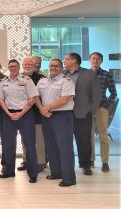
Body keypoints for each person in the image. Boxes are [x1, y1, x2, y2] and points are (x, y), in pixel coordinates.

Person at [0, 59, 39, 183]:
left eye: (15, 66)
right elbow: (1, 100)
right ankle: (8, 171)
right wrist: (9, 113)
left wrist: (21, 113)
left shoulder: (26, 80)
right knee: (8, 144)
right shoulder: (4, 82)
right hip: (8, 114)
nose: (13, 68)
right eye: (11, 66)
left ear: (19, 67)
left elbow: (32, 98)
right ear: (8, 68)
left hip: (25, 114)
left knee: (29, 144)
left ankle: (33, 174)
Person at [35, 59, 76, 187]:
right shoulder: (43, 81)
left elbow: (64, 99)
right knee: (51, 146)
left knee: (64, 147)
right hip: (46, 116)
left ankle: (69, 178)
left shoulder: (66, 81)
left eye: (56, 66)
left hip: (62, 116)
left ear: (61, 67)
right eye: (51, 66)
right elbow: (35, 96)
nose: (53, 68)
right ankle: (56, 172)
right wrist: (42, 108)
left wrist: (46, 108)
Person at [63, 52, 101, 176]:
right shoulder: (62, 74)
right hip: (63, 113)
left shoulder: (89, 74)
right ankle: (65, 165)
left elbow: (96, 95)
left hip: (83, 113)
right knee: (64, 140)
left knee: (84, 140)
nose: (64, 61)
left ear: (74, 60)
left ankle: (85, 165)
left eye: (66, 59)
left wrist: (91, 110)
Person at [18, 56, 46, 172]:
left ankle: (40, 162)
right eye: (26, 64)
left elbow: (44, 95)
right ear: (22, 65)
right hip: (23, 113)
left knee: (39, 139)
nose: (28, 66)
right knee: (25, 139)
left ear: (34, 65)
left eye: (31, 64)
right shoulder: (18, 78)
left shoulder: (42, 78)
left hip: (37, 112)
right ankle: (26, 160)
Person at [89, 52, 116, 172]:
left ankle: (105, 162)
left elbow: (113, 93)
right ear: (90, 60)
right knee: (88, 136)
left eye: (98, 59)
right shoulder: (85, 74)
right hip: (87, 110)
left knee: (103, 135)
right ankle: (91, 160)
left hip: (101, 109)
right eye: (93, 58)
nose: (95, 61)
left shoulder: (107, 75)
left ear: (101, 61)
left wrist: (105, 105)